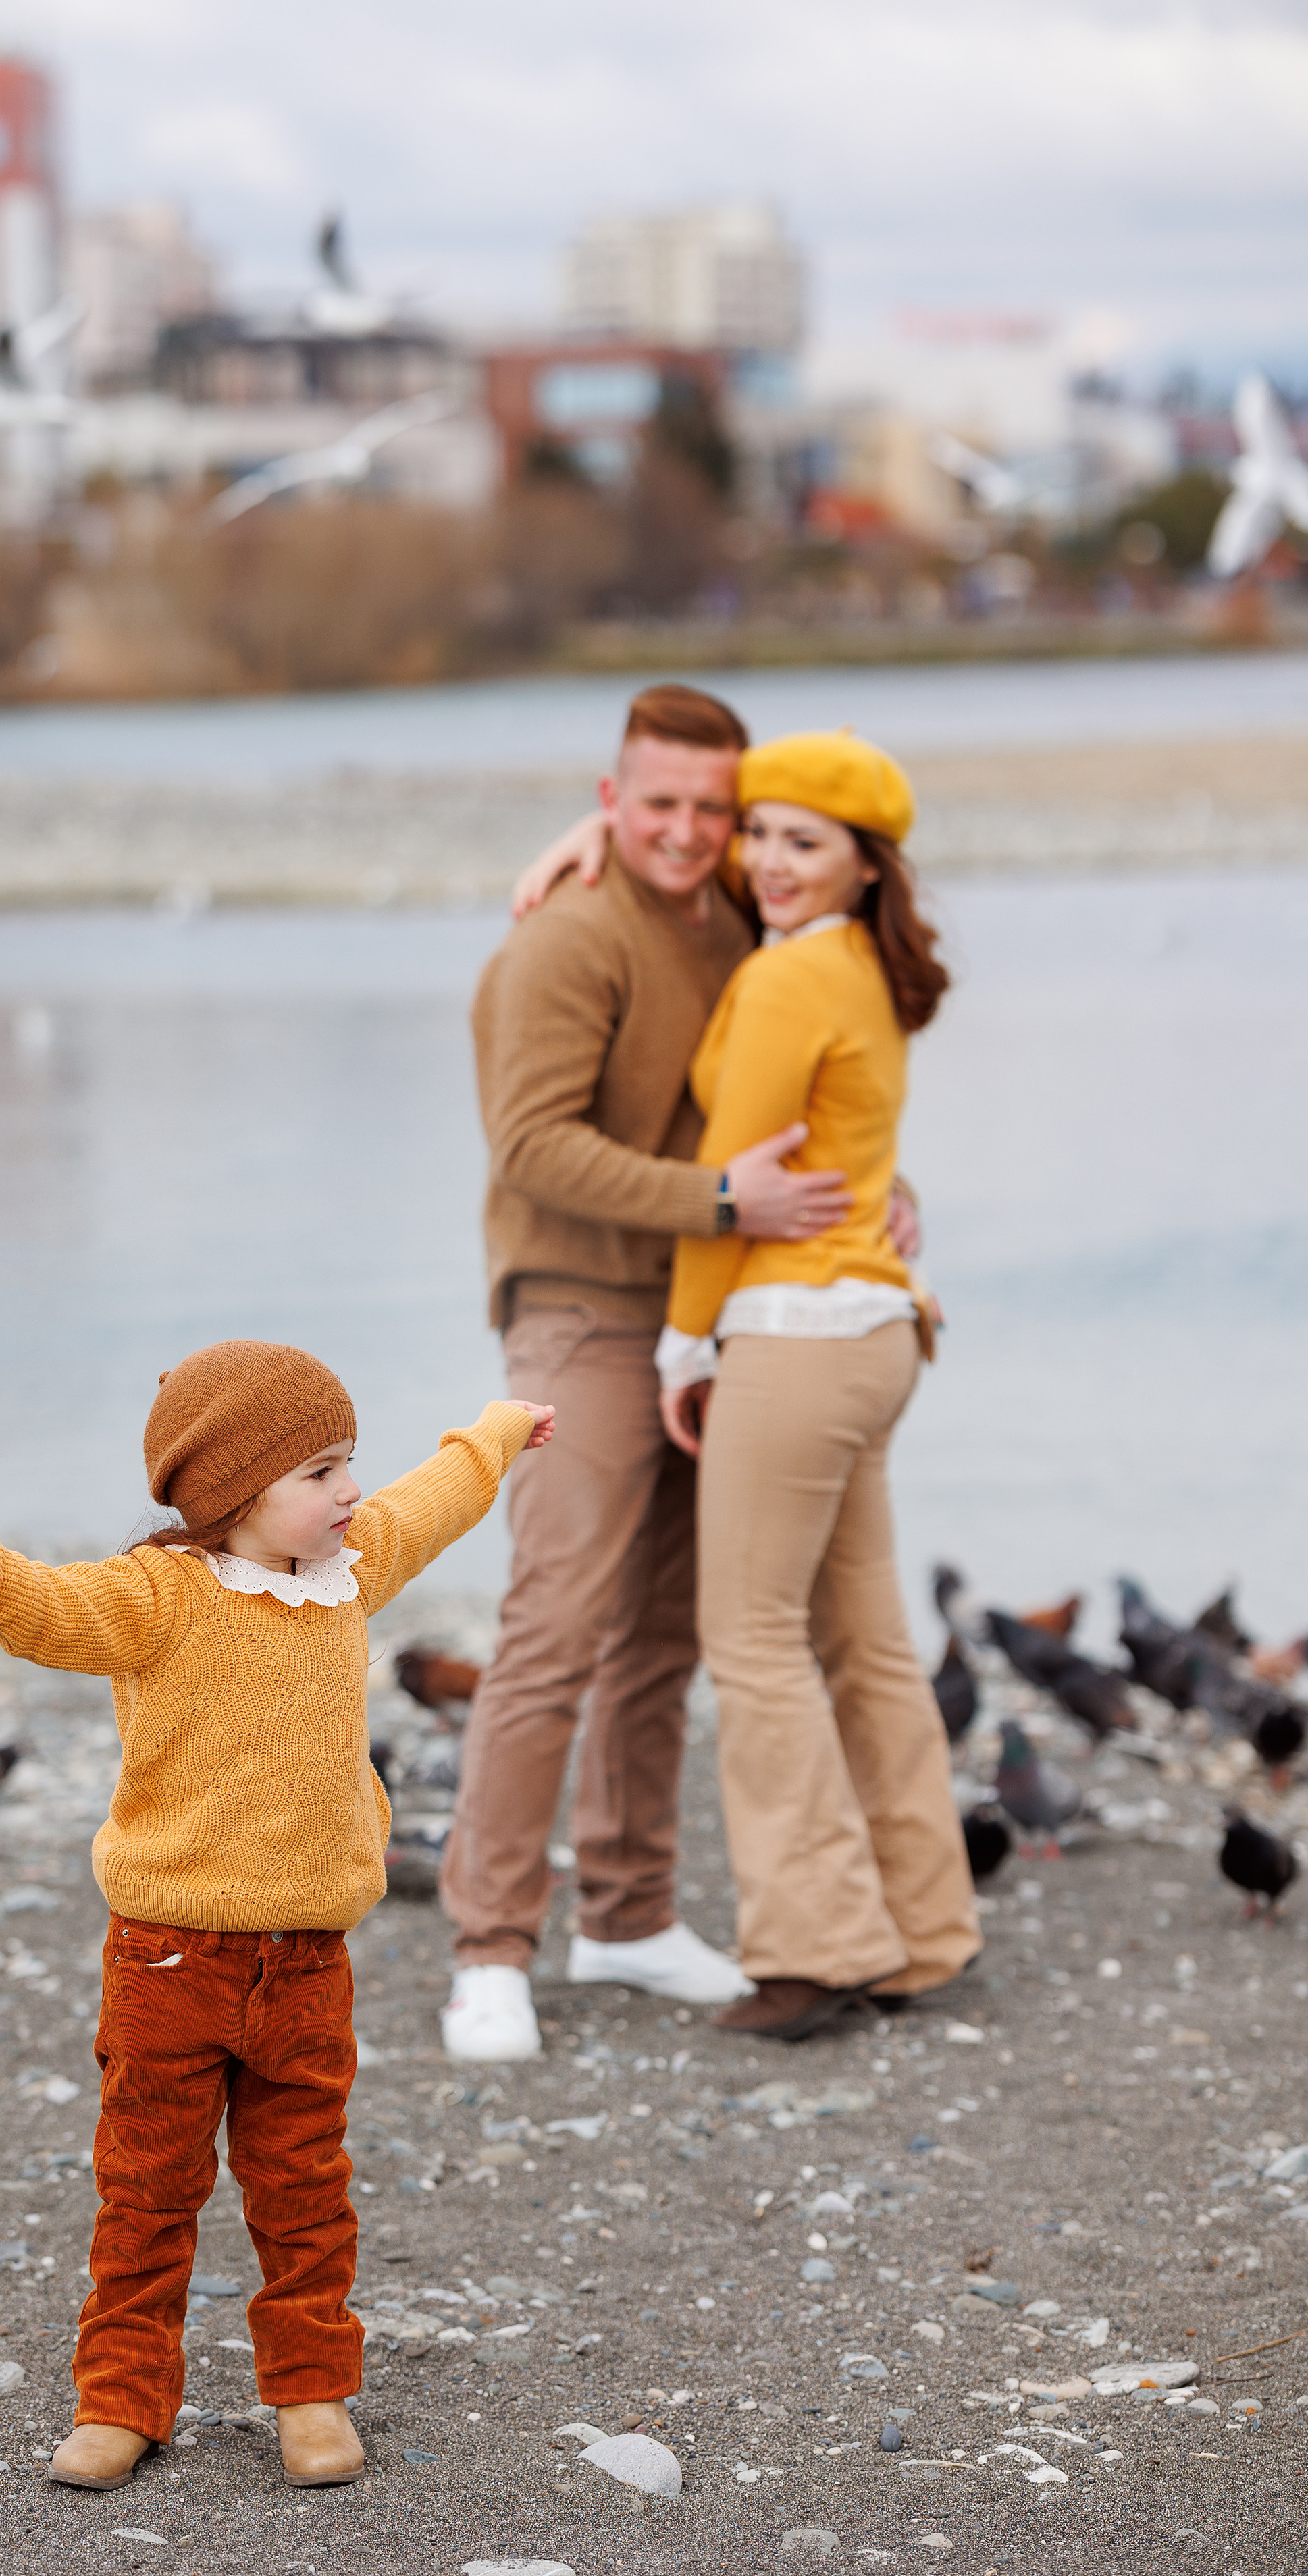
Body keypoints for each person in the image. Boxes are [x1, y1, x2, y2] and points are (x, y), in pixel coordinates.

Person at [0, 1340, 552, 2492]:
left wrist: (490, 1437)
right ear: (235, 1491)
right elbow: (46, 1609)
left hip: (308, 1964)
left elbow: (429, 1504)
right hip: (168, 1959)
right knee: (147, 2192)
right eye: (321, 1471)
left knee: (305, 2192)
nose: (348, 1492)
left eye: (348, 1465)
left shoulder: (352, 1565)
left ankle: (312, 2391)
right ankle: (122, 2400)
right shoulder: (159, 1597)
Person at [439, 684, 860, 2066]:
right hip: (578, 1309)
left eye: (709, 810)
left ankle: (624, 1913)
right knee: (554, 1625)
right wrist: (724, 1206)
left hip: (704, 1309)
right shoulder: (567, 940)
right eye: (655, 804)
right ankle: (489, 1946)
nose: (686, 832)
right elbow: (528, 1148)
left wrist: (876, 1197)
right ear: (610, 803)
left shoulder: (738, 913)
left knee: (662, 1631)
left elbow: (807, 1076)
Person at [657, 730, 980, 2043]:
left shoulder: (790, 979)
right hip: (876, 1334)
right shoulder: (862, 965)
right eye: (760, 834)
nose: (769, 862)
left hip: (793, 1335)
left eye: (805, 841)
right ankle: (919, 1932)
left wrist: (684, 1344)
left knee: (749, 1639)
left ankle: (809, 1953)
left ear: (862, 864)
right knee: (863, 1639)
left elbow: (733, 1178)